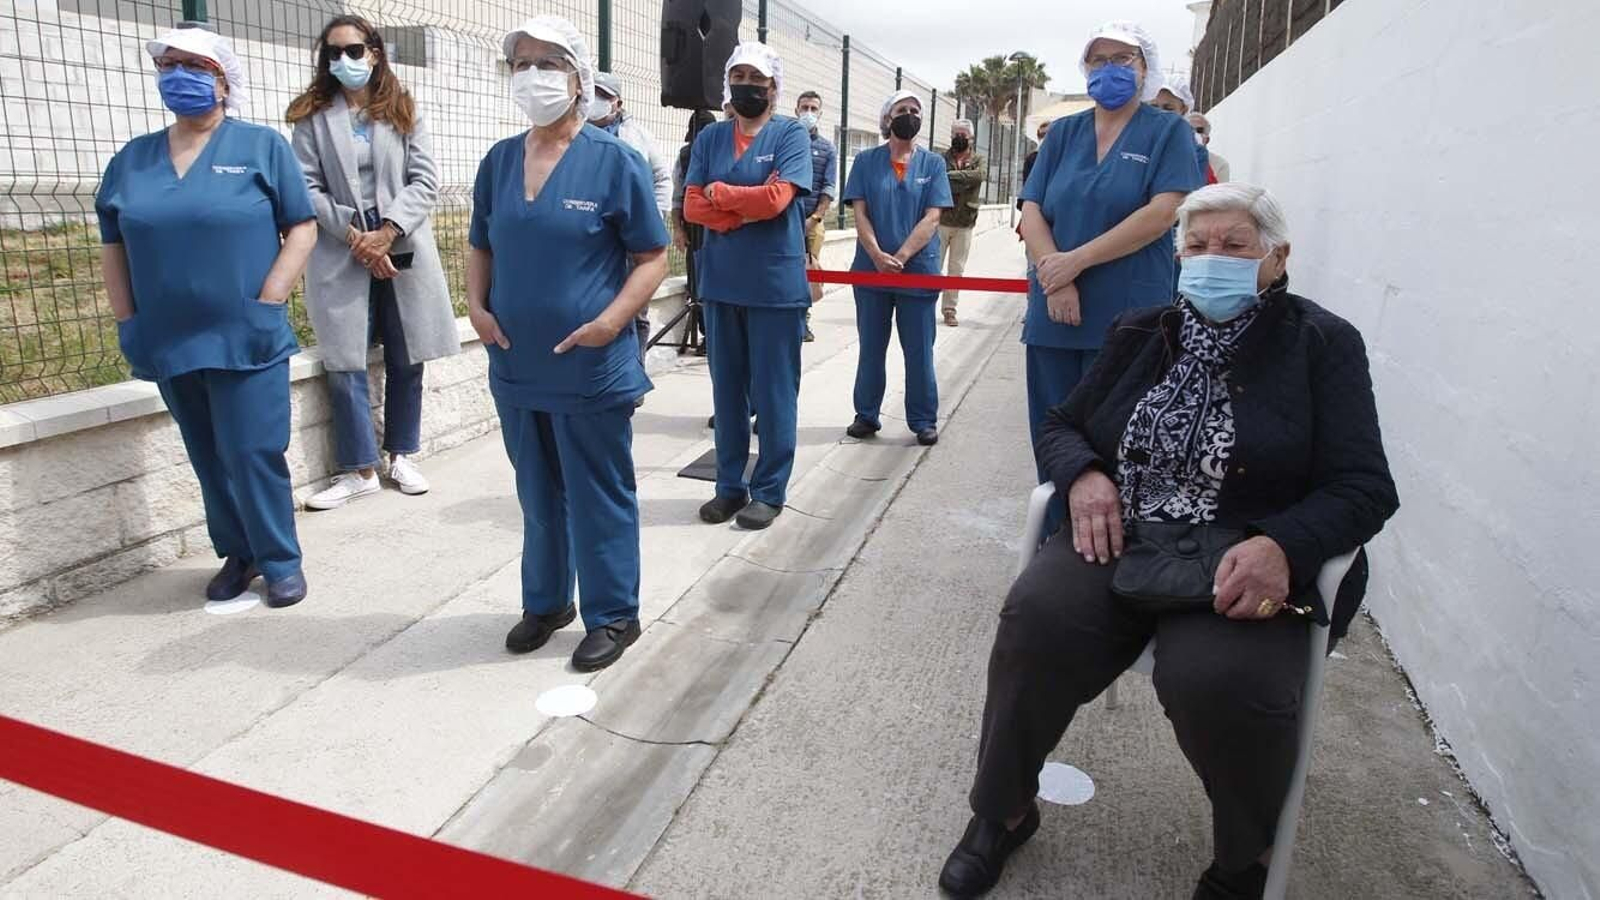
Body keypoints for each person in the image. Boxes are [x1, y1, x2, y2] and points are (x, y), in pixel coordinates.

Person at [938, 183, 1401, 900]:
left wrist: (1283, 545)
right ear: (1179, 254)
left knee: (1220, 681)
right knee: (1036, 623)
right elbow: (1061, 423)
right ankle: (1002, 811)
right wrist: (1086, 476)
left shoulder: (1323, 344)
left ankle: (1243, 863)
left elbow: (1365, 485)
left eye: (1235, 246)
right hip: (1125, 532)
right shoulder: (1141, 330)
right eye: (1197, 245)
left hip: (1244, 552)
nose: (1212, 259)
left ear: (1276, 259)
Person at [467, 15, 669, 671]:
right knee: (537, 489)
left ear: (579, 78)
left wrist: (612, 322)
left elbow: (652, 258)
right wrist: (475, 306)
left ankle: (613, 614)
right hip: (516, 361)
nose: (532, 75)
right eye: (520, 62)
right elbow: (479, 244)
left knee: (596, 489)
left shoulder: (615, 162)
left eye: (547, 63)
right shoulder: (499, 161)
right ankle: (547, 602)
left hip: (591, 363)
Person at [96, 25, 316, 608]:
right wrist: (126, 317)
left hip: (245, 330)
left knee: (252, 450)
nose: (178, 75)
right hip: (166, 335)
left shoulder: (260, 146)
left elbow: (302, 225)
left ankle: (279, 557)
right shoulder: (133, 160)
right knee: (207, 453)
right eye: (168, 64)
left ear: (223, 80)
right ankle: (237, 553)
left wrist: (270, 296)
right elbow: (112, 242)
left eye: (192, 65)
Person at [1018, 21, 1204, 536]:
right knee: (1053, 432)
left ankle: (1116, 548)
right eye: (1098, 60)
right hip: (1056, 310)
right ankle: (1057, 541)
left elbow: (1162, 212)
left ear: (1145, 68)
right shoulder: (1065, 134)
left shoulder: (1167, 132)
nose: (1110, 70)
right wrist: (1055, 276)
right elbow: (1032, 209)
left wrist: (1075, 262)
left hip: (1128, 315)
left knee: (1123, 436)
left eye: (1123, 59)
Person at [288, 15, 460, 511]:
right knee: (344, 361)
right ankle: (359, 468)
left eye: (354, 50)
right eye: (334, 53)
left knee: (407, 355)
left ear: (376, 52)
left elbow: (424, 181)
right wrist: (355, 236)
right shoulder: (311, 116)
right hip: (341, 251)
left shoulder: (402, 110)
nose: (344, 61)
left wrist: (386, 233)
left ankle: (401, 453)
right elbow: (307, 186)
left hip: (400, 244)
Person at [683, 42, 812, 532]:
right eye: (738, 76)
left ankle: (770, 491)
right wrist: (741, 211)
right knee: (728, 394)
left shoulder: (792, 135)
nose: (747, 86)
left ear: (774, 86)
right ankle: (729, 488)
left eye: (757, 79)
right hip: (722, 284)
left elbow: (779, 201)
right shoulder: (712, 138)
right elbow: (693, 206)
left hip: (774, 287)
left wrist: (726, 198)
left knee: (775, 393)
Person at [842, 90, 952, 446]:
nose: (909, 115)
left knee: (919, 349)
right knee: (871, 346)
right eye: (902, 110)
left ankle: (923, 419)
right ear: (888, 119)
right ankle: (866, 414)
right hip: (871, 271)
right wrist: (875, 255)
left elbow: (933, 217)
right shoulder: (866, 162)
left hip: (917, 270)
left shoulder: (933, 164)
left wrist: (901, 257)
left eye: (915, 111)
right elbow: (859, 212)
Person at [588, 70, 673, 378]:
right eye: (591, 93)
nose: (595, 101)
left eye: (604, 96)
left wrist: (655, 217)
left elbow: (662, 178)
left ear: (618, 102)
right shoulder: (574, 133)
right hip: (592, 236)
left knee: (636, 308)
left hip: (632, 235)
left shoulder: (637, 135)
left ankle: (632, 373)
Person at [795, 90, 837, 342]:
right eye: (804, 107)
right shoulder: (786, 140)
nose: (808, 113)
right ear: (796, 109)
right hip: (785, 221)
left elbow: (829, 187)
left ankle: (804, 321)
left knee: (808, 272)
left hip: (812, 221)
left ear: (820, 113)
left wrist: (815, 218)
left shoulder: (828, 149)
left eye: (813, 108)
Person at [937, 119, 985, 327]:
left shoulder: (978, 160)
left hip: (965, 222)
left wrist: (952, 178)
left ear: (971, 138)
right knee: (933, 266)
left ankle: (949, 309)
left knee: (956, 269)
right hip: (941, 220)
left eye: (962, 134)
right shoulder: (941, 159)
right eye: (955, 133)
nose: (958, 138)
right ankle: (925, 305)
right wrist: (963, 180)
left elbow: (978, 176)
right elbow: (940, 179)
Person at [1189, 113, 1230, 183]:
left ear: (1207, 139)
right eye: (1189, 129)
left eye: (1199, 130)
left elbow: (1219, 193)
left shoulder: (1220, 165)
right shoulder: (1171, 159)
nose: (1194, 134)